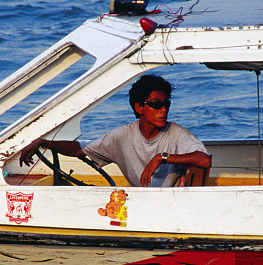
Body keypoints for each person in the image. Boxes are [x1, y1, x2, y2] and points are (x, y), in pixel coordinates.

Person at [20, 74, 212, 187]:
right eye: (156, 104)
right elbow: (80, 149)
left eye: (166, 104)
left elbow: (204, 160)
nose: (164, 109)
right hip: (141, 206)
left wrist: (162, 158)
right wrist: (44, 142)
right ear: (139, 108)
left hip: (171, 207)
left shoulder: (178, 134)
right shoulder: (121, 136)